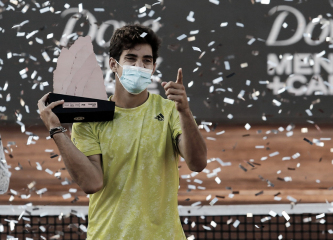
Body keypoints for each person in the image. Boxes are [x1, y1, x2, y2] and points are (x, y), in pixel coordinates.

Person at [37, 24, 207, 239]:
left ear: (153, 67)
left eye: (146, 60)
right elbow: (92, 182)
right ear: (113, 64)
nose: (139, 65)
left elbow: (198, 163)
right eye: (131, 58)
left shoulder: (171, 111)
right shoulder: (90, 119)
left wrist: (185, 111)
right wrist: (56, 130)